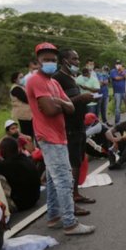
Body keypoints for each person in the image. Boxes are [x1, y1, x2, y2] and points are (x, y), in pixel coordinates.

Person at [26, 42, 94, 235]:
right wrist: (60, 103)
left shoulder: (53, 83)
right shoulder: (36, 80)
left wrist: (59, 103)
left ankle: (54, 216)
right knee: (64, 180)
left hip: (59, 135)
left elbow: (70, 108)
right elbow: (49, 110)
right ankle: (70, 223)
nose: (50, 63)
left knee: (53, 180)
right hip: (48, 137)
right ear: (38, 61)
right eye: (45, 59)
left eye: (52, 60)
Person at [53, 49, 97, 211]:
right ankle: (70, 200)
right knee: (71, 163)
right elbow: (57, 103)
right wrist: (80, 98)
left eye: (78, 59)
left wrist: (84, 100)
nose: (78, 62)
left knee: (78, 160)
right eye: (74, 59)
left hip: (79, 125)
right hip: (69, 127)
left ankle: (76, 193)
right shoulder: (57, 79)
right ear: (64, 60)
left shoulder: (72, 78)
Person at [0, 137, 40, 212]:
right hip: (35, 198)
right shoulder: (25, 158)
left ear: (2, 151)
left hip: (20, 204)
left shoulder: (4, 165)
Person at [9, 72, 34, 137]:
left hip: (27, 114)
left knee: (30, 133)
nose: (23, 79)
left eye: (23, 77)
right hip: (23, 115)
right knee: (27, 133)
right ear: (15, 79)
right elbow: (26, 99)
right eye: (20, 77)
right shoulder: (16, 88)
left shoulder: (21, 87)